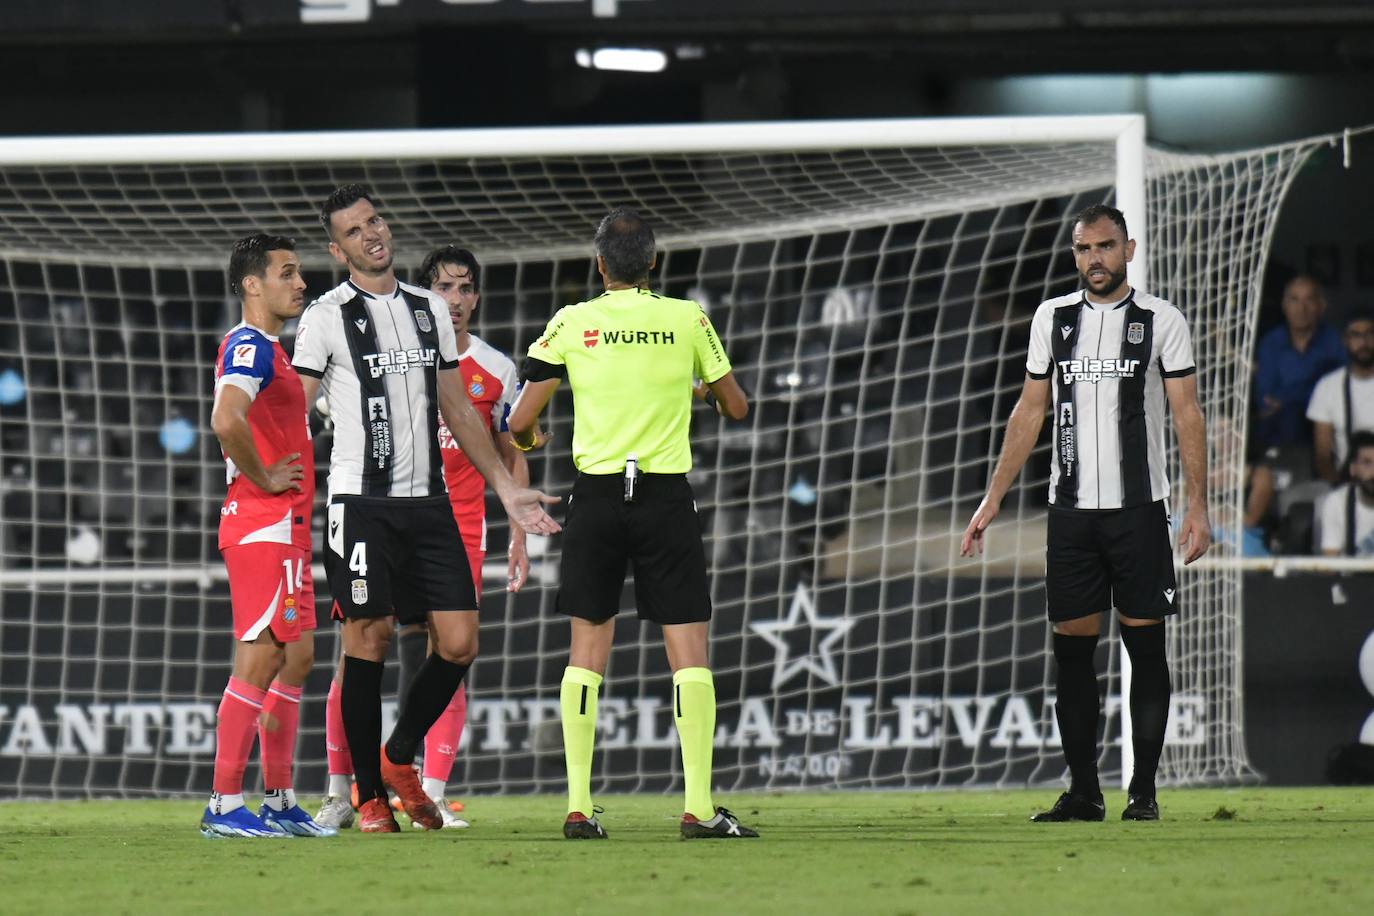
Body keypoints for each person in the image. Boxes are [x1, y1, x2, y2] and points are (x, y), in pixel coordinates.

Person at [293, 184, 559, 834]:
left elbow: (459, 408)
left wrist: (505, 487)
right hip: (361, 504)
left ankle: (395, 757)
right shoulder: (327, 316)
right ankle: (366, 797)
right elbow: (293, 406)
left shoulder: (426, 311)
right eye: (355, 231)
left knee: (460, 643)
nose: (372, 234)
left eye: (375, 221)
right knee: (368, 639)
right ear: (339, 249)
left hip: (431, 504)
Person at [508, 208, 757, 840]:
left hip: (592, 500)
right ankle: (699, 809)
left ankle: (578, 806)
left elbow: (518, 422)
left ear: (598, 266)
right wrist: (694, 391)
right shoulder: (686, 318)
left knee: (586, 653)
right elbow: (738, 405)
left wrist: (535, 439)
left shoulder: (572, 321)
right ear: (653, 263)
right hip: (664, 498)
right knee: (688, 653)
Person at [960, 204, 1211, 822]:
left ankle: (1144, 793)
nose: (1093, 259)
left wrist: (1197, 505)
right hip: (1069, 516)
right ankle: (1083, 792)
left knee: (1145, 650)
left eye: (1104, 247)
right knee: (1072, 657)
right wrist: (993, 497)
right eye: (1082, 249)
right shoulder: (1053, 318)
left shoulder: (1161, 320)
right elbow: (1029, 411)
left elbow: (1187, 414)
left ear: (1129, 249)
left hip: (1139, 514)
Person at [200, 234, 335, 838]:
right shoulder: (250, 345)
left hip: (288, 526)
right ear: (253, 284)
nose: (299, 282)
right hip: (264, 521)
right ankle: (224, 804)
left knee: (297, 653)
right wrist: (265, 475)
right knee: (261, 655)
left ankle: (279, 802)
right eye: (287, 272)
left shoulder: (273, 351)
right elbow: (225, 420)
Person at [1253, 275, 1344, 448]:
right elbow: (1265, 399)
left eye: (1309, 300)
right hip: (1278, 430)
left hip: (1325, 425)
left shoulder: (1335, 342)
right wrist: (1310, 387)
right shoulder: (1270, 343)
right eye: (1294, 300)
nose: (1301, 309)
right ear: (1284, 306)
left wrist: (1287, 399)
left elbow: (1337, 392)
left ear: (1321, 306)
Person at [1307, 310, 1374, 483]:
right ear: (1345, 341)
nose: (1364, 342)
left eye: (1370, 334)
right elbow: (1322, 454)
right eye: (1356, 335)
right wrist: (1338, 488)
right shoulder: (1328, 386)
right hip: (1346, 479)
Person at [1320, 430, 1374, 557]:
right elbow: (1329, 563)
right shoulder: (1336, 502)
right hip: (1351, 576)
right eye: (1367, 463)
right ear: (1353, 469)